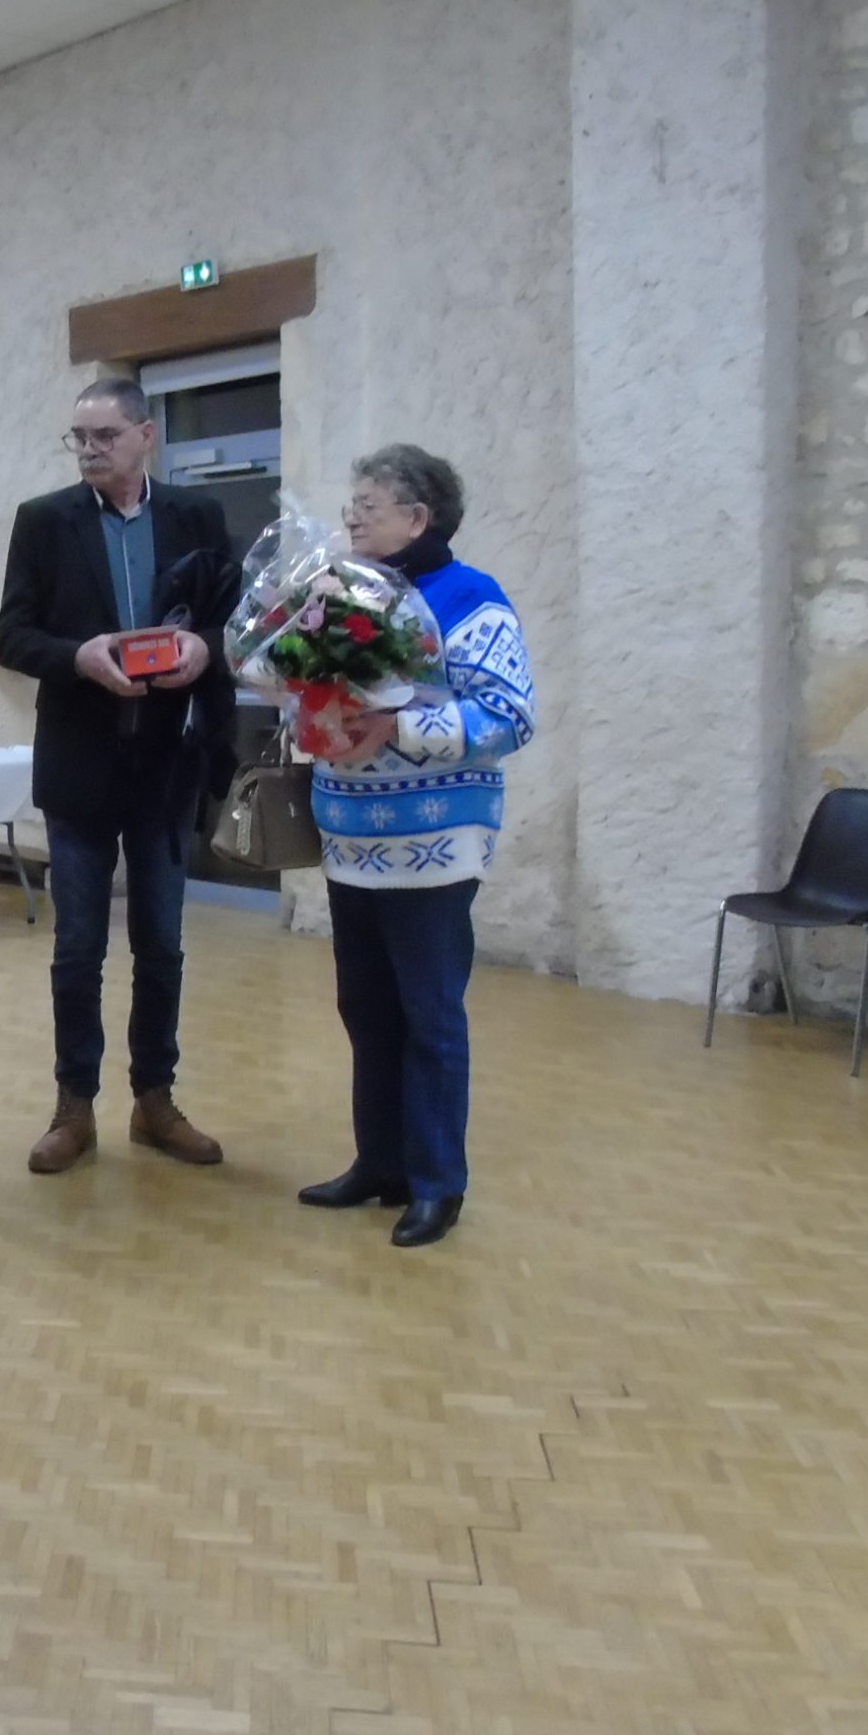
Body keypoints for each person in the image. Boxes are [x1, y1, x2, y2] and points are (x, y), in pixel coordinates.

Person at [0, 377, 237, 1175]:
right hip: (81, 767)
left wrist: (204, 647)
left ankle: (154, 1100)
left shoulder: (197, 516)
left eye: (104, 436)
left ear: (146, 436)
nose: (90, 450)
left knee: (161, 945)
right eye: (79, 438)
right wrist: (79, 657)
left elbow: (237, 624)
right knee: (77, 949)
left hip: (166, 768)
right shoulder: (44, 521)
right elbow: (13, 635)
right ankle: (74, 1106)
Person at [299, 446, 536, 1249]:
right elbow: (308, 684)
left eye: (369, 504)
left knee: (428, 1016)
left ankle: (438, 1184)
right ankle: (380, 1164)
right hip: (350, 842)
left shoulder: (471, 598)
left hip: (434, 844)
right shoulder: (344, 595)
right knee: (365, 1011)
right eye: (353, 502)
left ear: (417, 517)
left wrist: (396, 726)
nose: (352, 515)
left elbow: (509, 715)